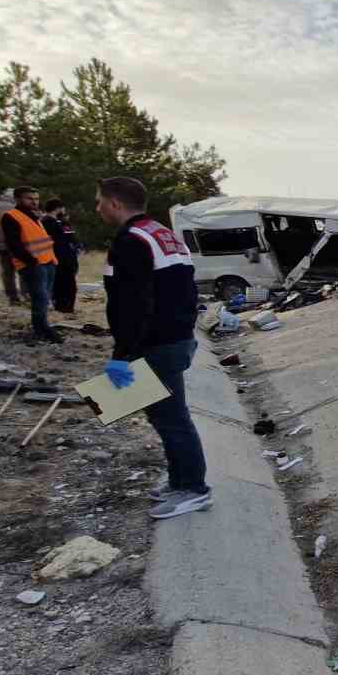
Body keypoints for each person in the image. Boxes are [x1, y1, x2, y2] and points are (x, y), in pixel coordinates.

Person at [94, 176, 212, 520]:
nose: (97, 208)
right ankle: (180, 481)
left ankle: (193, 489)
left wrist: (121, 355)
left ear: (115, 203)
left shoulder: (131, 240)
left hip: (157, 342)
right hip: (175, 337)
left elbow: (132, 304)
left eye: (100, 201)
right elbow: (185, 291)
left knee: (172, 419)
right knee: (165, 416)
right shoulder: (162, 233)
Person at [1, 186, 61, 343]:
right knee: (39, 297)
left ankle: (42, 327)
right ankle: (42, 330)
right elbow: (14, 245)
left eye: (36, 199)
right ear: (18, 199)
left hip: (48, 261)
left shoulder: (34, 215)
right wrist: (31, 262)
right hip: (34, 265)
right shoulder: (11, 216)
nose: (34, 202)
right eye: (30, 198)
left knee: (45, 297)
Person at [42, 198, 83, 314]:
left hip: (64, 258)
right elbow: (60, 241)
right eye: (63, 208)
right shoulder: (48, 222)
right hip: (60, 259)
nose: (64, 211)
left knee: (66, 285)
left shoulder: (59, 222)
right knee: (64, 286)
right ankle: (64, 308)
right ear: (58, 208)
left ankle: (65, 307)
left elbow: (70, 238)